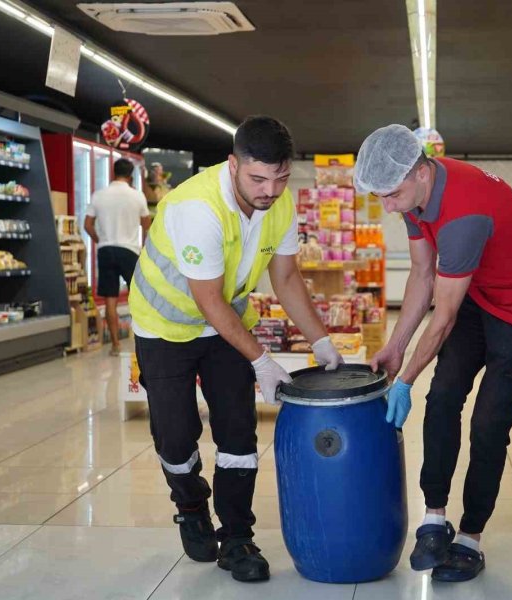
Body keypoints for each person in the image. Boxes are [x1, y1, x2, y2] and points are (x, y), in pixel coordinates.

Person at [129, 116, 344, 583]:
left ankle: (237, 537)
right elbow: (207, 300)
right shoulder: (196, 207)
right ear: (233, 165)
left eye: (281, 178)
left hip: (224, 327)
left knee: (238, 434)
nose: (270, 190)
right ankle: (189, 505)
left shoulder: (279, 205)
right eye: (258, 178)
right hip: (164, 327)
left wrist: (320, 339)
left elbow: (285, 278)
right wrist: (263, 360)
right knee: (176, 436)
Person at [355, 124, 512, 583]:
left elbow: (443, 316)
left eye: (391, 194)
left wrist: (405, 378)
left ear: (422, 172)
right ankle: (434, 516)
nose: (387, 206)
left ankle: (469, 536)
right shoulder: (413, 194)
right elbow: (423, 274)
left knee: (488, 425)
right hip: (479, 293)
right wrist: (395, 345)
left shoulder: (464, 214)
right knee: (444, 395)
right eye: (381, 196)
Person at [84, 158, 152, 356]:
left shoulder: (99, 195)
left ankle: (115, 345)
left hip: (106, 249)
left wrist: (100, 240)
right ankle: (143, 341)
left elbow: (87, 225)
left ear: (113, 173)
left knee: (110, 300)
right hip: (129, 250)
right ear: (130, 176)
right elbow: (146, 224)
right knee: (139, 298)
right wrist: (144, 247)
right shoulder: (137, 196)